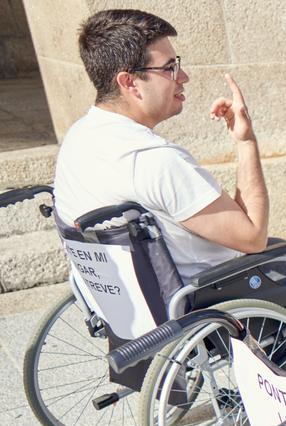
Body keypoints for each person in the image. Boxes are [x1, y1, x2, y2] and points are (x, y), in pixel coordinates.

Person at [53, 8, 268, 280]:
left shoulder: (77, 139)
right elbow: (253, 237)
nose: (183, 76)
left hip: (127, 309)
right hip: (208, 300)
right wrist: (246, 141)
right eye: (169, 68)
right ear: (129, 82)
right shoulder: (155, 162)